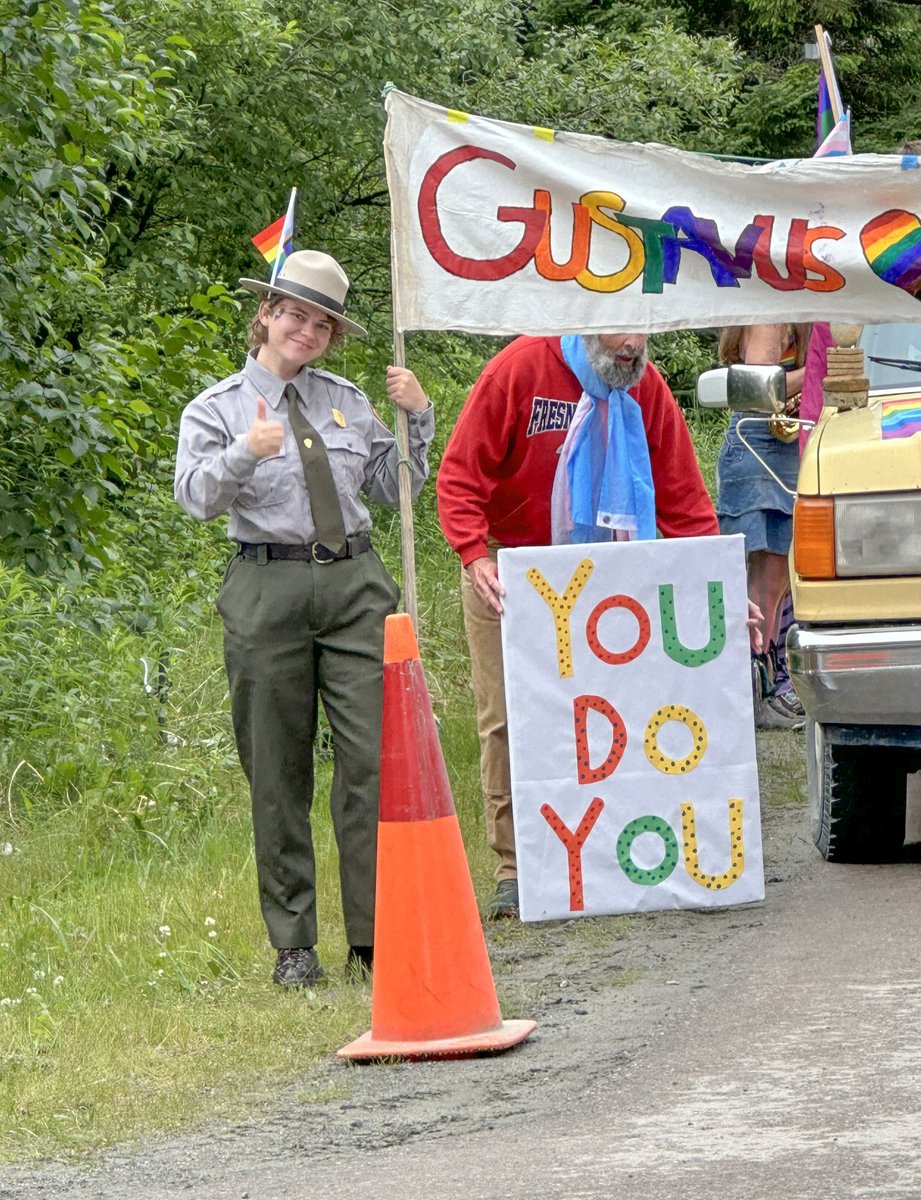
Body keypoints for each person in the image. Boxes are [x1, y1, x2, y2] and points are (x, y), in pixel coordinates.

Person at [174, 250, 434, 987]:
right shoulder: (217, 407)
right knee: (276, 769)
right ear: (266, 316)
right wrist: (242, 456)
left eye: (322, 322)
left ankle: (373, 938)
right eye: (294, 314)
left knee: (370, 764)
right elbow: (195, 498)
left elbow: (394, 487)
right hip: (267, 589)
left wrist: (418, 418)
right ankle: (293, 944)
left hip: (355, 585)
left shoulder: (345, 398)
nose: (307, 331)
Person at [437, 332, 720, 920]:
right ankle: (516, 868)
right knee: (508, 719)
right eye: (618, 330)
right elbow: (461, 477)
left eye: (641, 331)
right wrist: (473, 553)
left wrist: (718, 582)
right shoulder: (517, 370)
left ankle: (609, 858)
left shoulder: (647, 386)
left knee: (615, 714)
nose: (632, 345)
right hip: (512, 575)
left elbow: (684, 499)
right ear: (582, 321)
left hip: (610, 580)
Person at [714, 323, 810, 731]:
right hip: (758, 445)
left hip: (784, 449)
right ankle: (752, 694)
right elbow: (757, 386)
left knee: (775, 585)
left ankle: (763, 689)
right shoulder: (772, 313)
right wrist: (822, 367)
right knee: (758, 587)